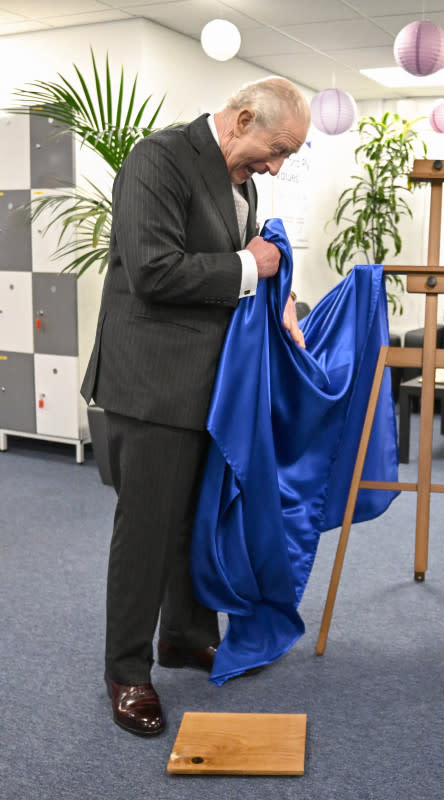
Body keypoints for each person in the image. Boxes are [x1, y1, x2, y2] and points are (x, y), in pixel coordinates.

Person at [80, 76, 311, 737]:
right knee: (147, 532)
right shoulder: (156, 159)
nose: (276, 166)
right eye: (275, 150)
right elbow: (153, 270)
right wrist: (252, 267)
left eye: (286, 155)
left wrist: (280, 296)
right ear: (240, 119)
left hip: (211, 385)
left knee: (194, 519)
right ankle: (125, 671)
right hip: (150, 384)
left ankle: (182, 634)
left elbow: (236, 269)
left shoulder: (243, 179)